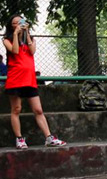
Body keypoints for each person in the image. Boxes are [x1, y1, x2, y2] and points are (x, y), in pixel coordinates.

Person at [2, 14, 66, 149]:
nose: (19, 24)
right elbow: (15, 50)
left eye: (21, 22)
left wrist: (27, 35)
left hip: (29, 79)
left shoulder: (31, 39)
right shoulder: (6, 39)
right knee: (16, 109)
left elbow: (32, 51)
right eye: (15, 23)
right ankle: (19, 139)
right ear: (11, 26)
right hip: (15, 78)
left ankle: (49, 137)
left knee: (38, 110)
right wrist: (15, 35)